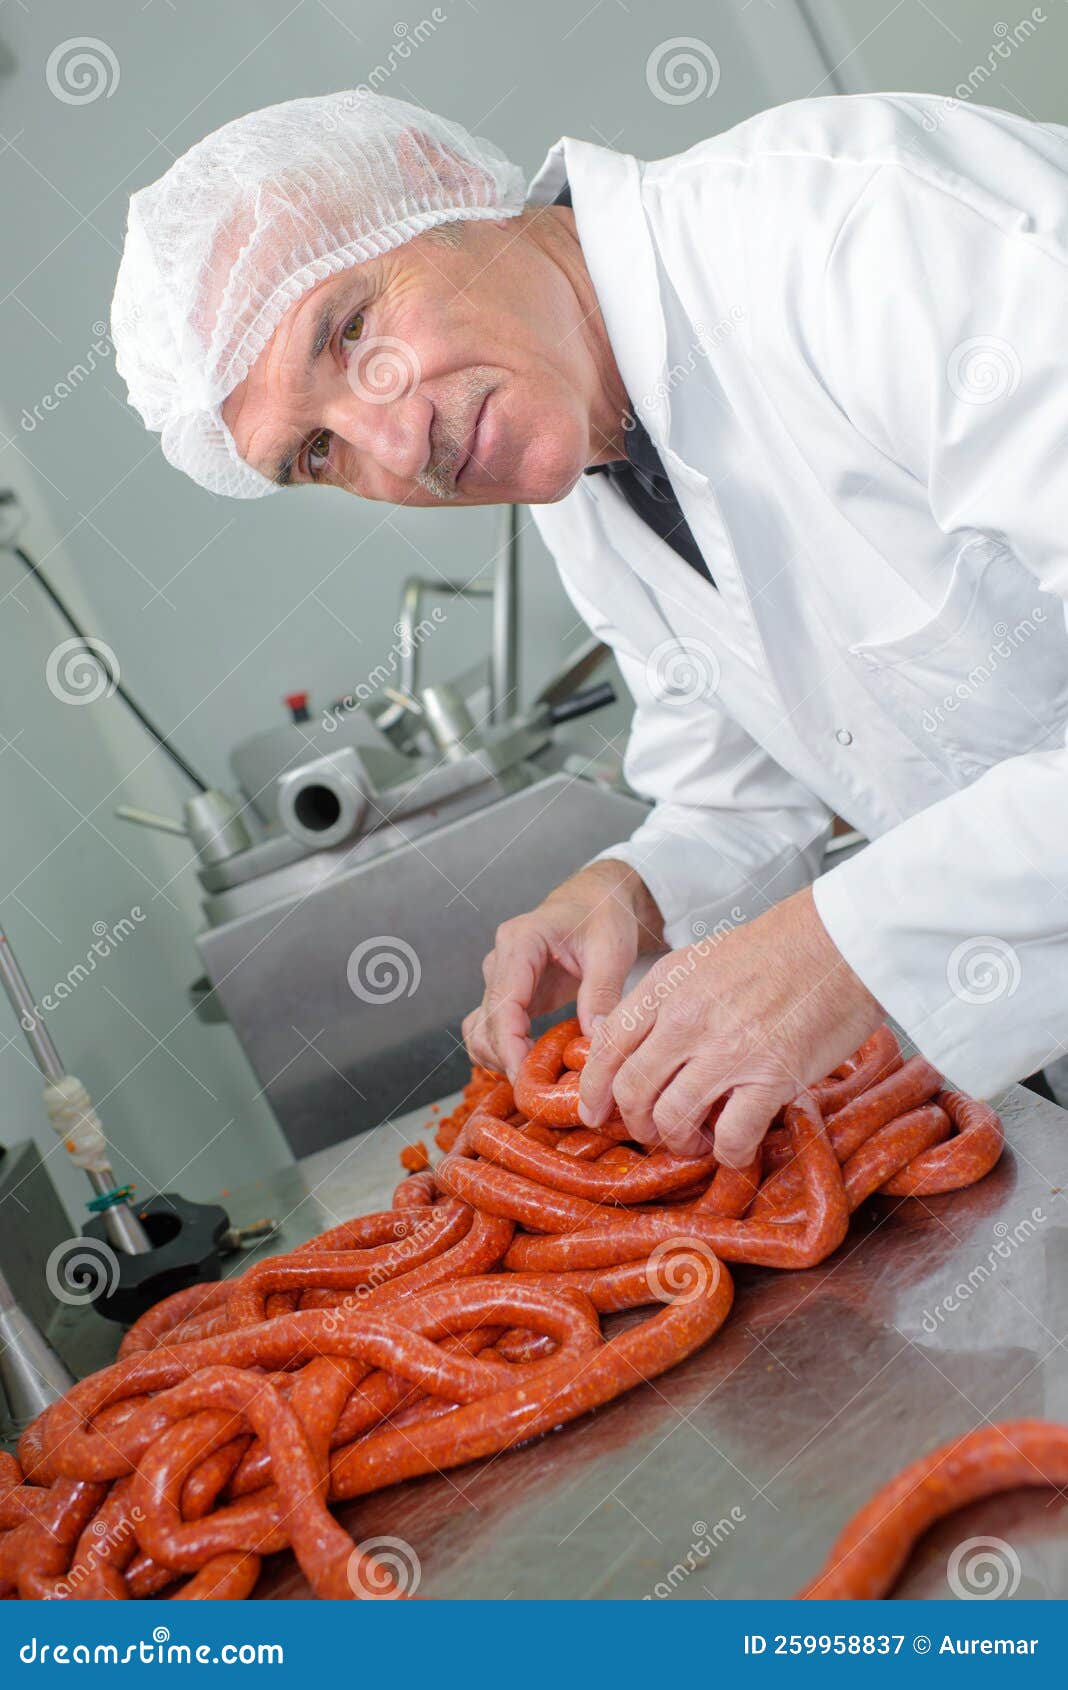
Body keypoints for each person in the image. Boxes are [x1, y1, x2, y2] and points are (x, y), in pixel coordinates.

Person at [112, 88, 1068, 1167]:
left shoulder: (860, 236)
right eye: (318, 454)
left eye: (352, 330)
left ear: (434, 181)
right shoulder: (568, 454)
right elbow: (750, 780)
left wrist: (847, 944)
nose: (394, 442)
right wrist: (636, 888)